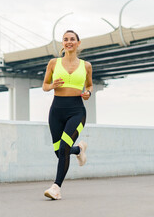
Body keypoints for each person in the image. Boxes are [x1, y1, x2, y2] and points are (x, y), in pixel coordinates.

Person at [42, 30, 93, 200]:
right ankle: (79, 149)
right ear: (62, 43)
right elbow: (45, 85)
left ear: (78, 43)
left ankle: (56, 188)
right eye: (65, 39)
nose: (69, 42)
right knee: (59, 152)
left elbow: (90, 86)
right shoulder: (53, 63)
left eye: (72, 39)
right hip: (56, 111)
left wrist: (88, 94)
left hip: (77, 111)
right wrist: (52, 85)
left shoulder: (86, 66)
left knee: (64, 148)